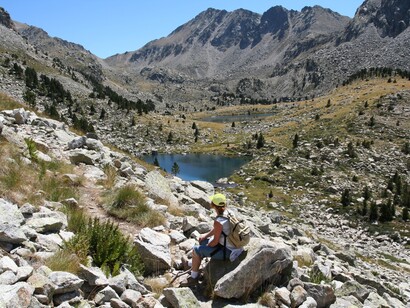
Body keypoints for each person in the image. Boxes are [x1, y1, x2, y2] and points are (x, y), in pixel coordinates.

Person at [180, 193, 239, 287]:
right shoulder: (229, 213)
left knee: (197, 249)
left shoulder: (218, 221)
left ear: (213, 205)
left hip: (228, 252)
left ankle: (193, 277)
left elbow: (215, 241)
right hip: (233, 246)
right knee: (202, 241)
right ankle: (192, 264)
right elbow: (219, 230)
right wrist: (205, 236)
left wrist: (206, 247)